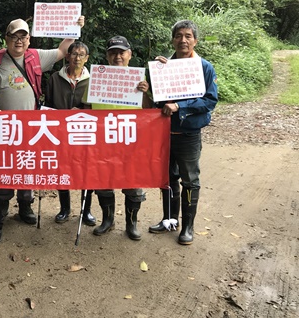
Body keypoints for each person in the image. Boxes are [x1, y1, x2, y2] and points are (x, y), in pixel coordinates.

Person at [0, 16, 84, 244]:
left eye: (23, 36)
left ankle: (25, 207)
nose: (18, 41)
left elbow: (62, 50)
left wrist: (74, 28)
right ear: (6, 38)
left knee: (27, 166)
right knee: (4, 171)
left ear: (28, 39)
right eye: (14, 36)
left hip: (30, 127)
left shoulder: (36, 56)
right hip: (3, 128)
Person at [148, 20, 218, 245]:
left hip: (188, 134)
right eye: (178, 36)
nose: (183, 40)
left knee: (189, 180)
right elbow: (156, 101)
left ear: (195, 41)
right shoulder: (164, 65)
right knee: (167, 178)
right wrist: (151, 83)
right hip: (164, 133)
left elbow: (210, 100)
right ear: (173, 40)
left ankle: (188, 226)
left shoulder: (205, 67)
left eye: (188, 36)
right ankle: (169, 219)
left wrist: (181, 106)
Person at [90, 36, 151, 241]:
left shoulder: (139, 81)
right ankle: (107, 220)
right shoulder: (96, 79)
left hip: (131, 141)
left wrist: (146, 92)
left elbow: (151, 112)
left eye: (121, 52)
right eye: (113, 52)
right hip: (104, 140)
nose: (118, 56)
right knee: (104, 181)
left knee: (133, 183)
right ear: (107, 55)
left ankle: (131, 223)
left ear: (129, 55)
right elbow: (86, 109)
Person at [44, 41, 96, 227]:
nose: (77, 58)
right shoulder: (54, 79)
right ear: (67, 56)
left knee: (86, 171)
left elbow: (96, 109)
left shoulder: (93, 81)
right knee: (62, 170)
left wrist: (80, 110)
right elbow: (48, 106)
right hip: (59, 134)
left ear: (87, 58)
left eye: (82, 54)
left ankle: (86, 210)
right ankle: (64, 209)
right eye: (74, 54)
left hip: (84, 133)